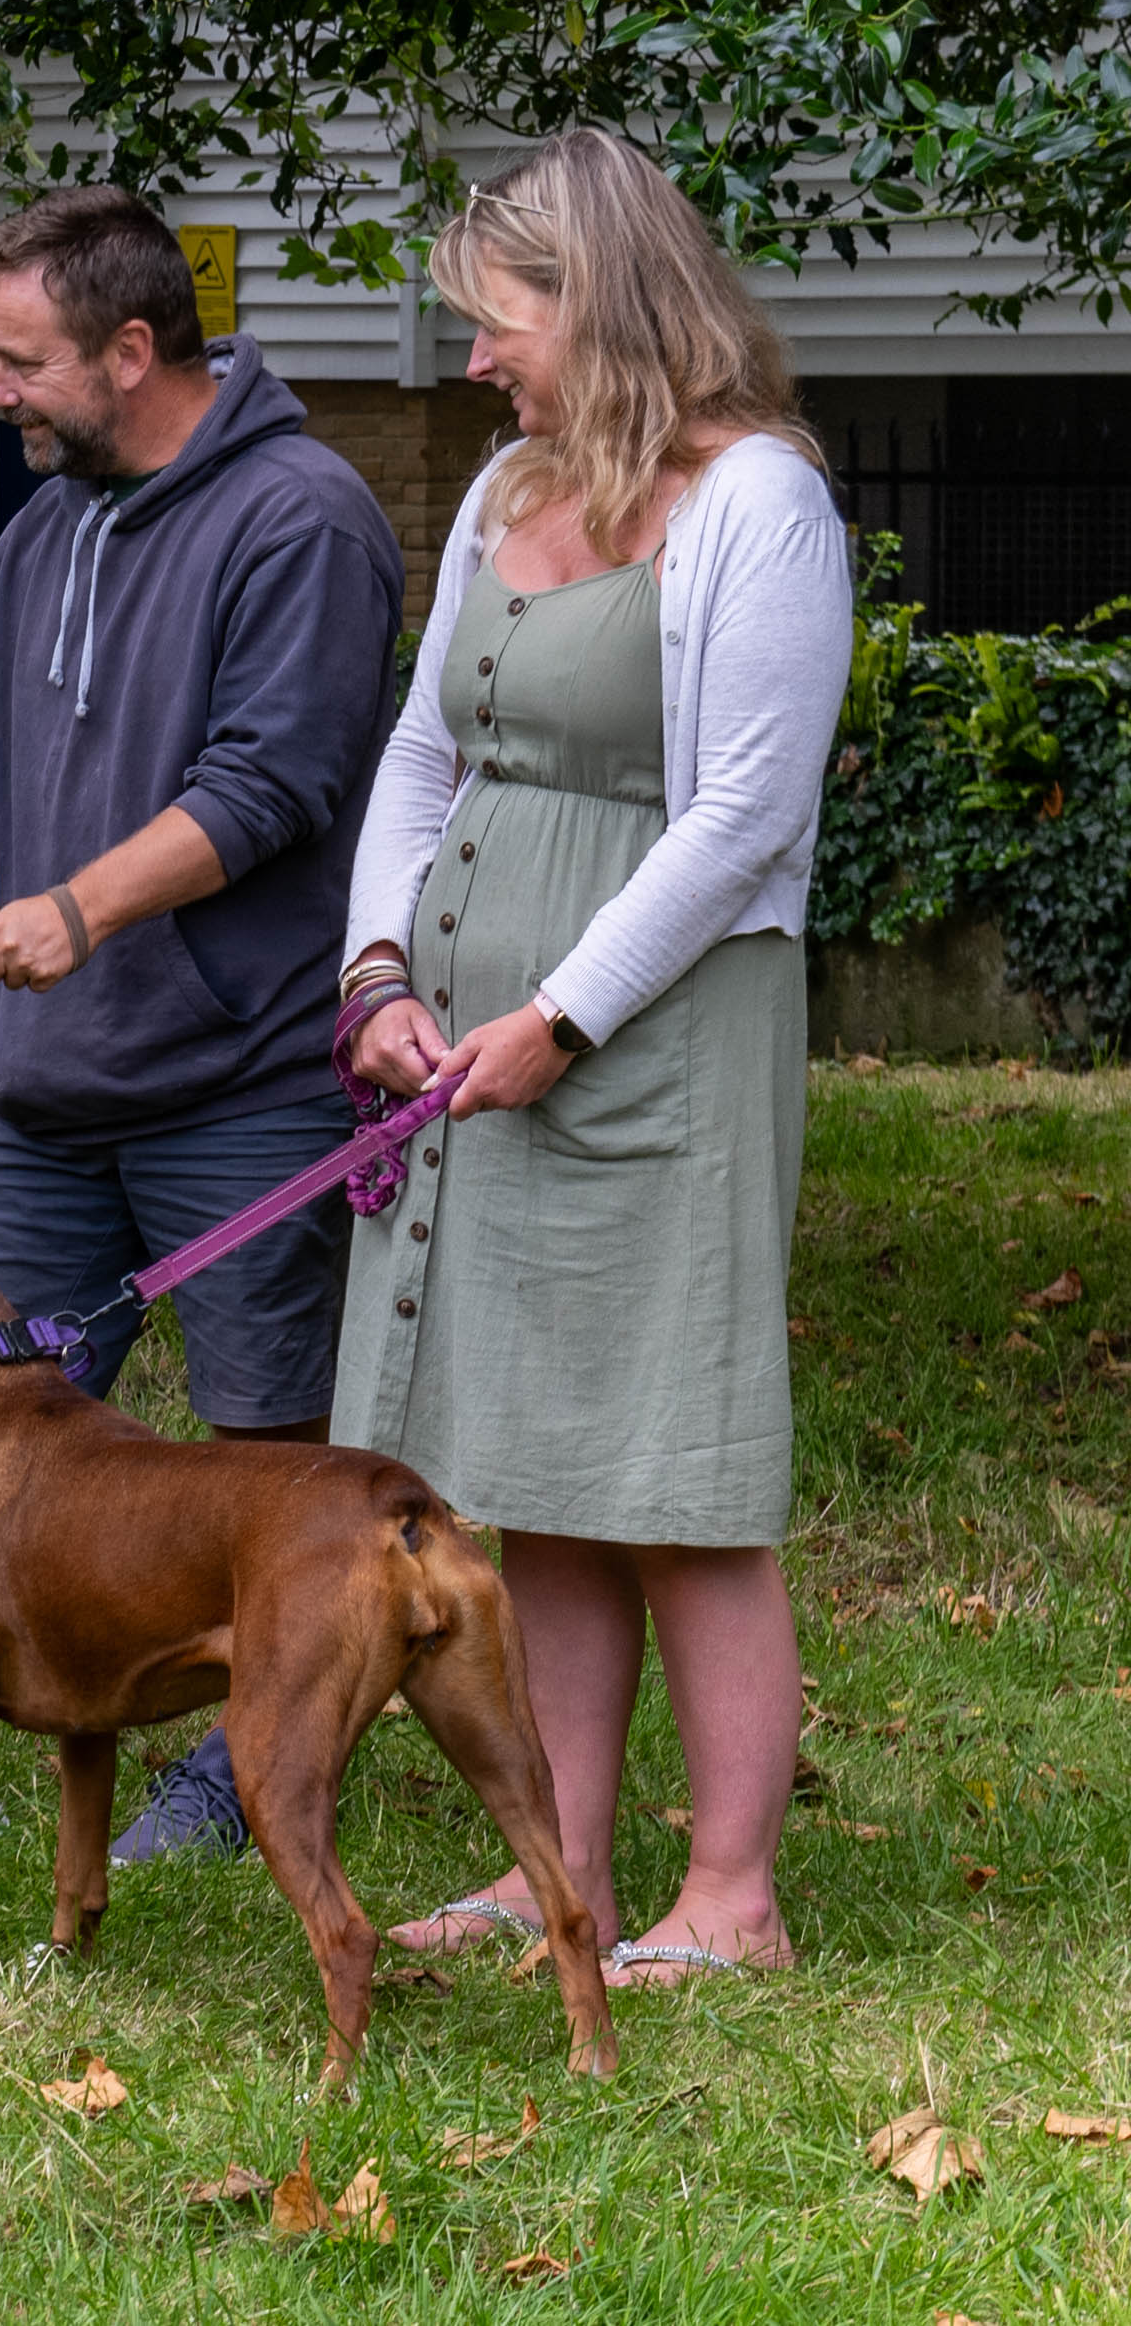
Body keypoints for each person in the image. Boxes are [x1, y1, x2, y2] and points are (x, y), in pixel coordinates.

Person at [341, 129, 848, 1984]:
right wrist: (379, 969)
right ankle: (546, 1864)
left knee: (679, 1477)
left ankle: (733, 1895)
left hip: (662, 1036)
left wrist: (563, 1014)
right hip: (473, 1045)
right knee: (534, 1466)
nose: (478, 358)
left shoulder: (755, 505)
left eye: (503, 320)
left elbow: (741, 819)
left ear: (606, 306)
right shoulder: (500, 490)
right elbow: (420, 760)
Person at [0, 186, 404, 1862]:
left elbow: (275, 785)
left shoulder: (302, 521)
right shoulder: (38, 533)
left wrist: (79, 912)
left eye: (20, 364)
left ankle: (245, 1755)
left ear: (133, 349)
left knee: (262, 1441)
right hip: (36, 1087)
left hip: (233, 1074)